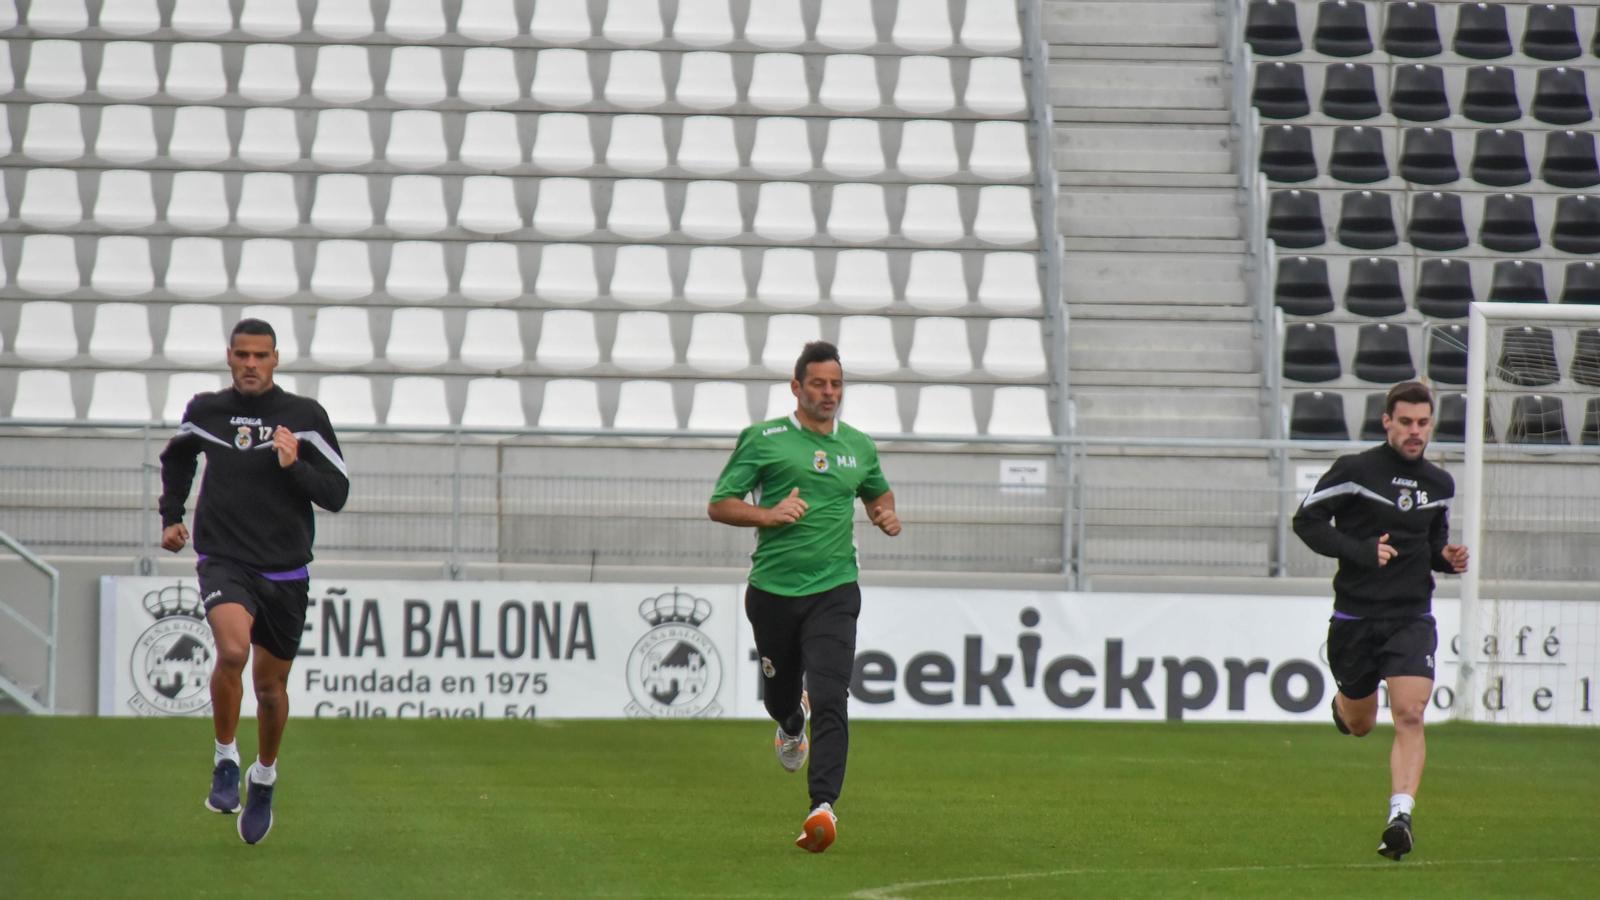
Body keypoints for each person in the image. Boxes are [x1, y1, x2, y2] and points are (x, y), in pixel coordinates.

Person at [158, 318, 349, 845]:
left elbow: (336, 493)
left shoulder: (304, 418)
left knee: (269, 690)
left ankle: (263, 776)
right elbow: (177, 458)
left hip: (285, 568)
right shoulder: (205, 411)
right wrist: (171, 514)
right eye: (241, 354)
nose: (249, 363)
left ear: (275, 359)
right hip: (223, 557)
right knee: (233, 651)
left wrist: (294, 465)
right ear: (228, 356)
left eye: (259, 355)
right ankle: (224, 759)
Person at [707, 341, 900, 854]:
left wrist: (885, 513)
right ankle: (791, 724)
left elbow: (877, 491)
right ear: (797, 387)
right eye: (818, 383)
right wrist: (768, 515)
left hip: (835, 589)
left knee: (833, 695)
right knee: (781, 699)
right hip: (772, 592)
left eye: (836, 384)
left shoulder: (859, 446)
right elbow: (720, 504)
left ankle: (822, 808)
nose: (829, 392)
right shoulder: (764, 440)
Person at [1293, 380, 1468, 861]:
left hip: (1411, 615)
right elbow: (1305, 521)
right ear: (1387, 421)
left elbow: (1428, 543)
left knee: (1411, 713)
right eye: (1406, 422)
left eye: (1423, 423)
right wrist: (1360, 551)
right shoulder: (1355, 471)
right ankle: (1343, 705)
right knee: (1361, 721)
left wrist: (1445, 558)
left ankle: (1400, 816)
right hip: (1355, 614)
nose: (1416, 432)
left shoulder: (1439, 485)